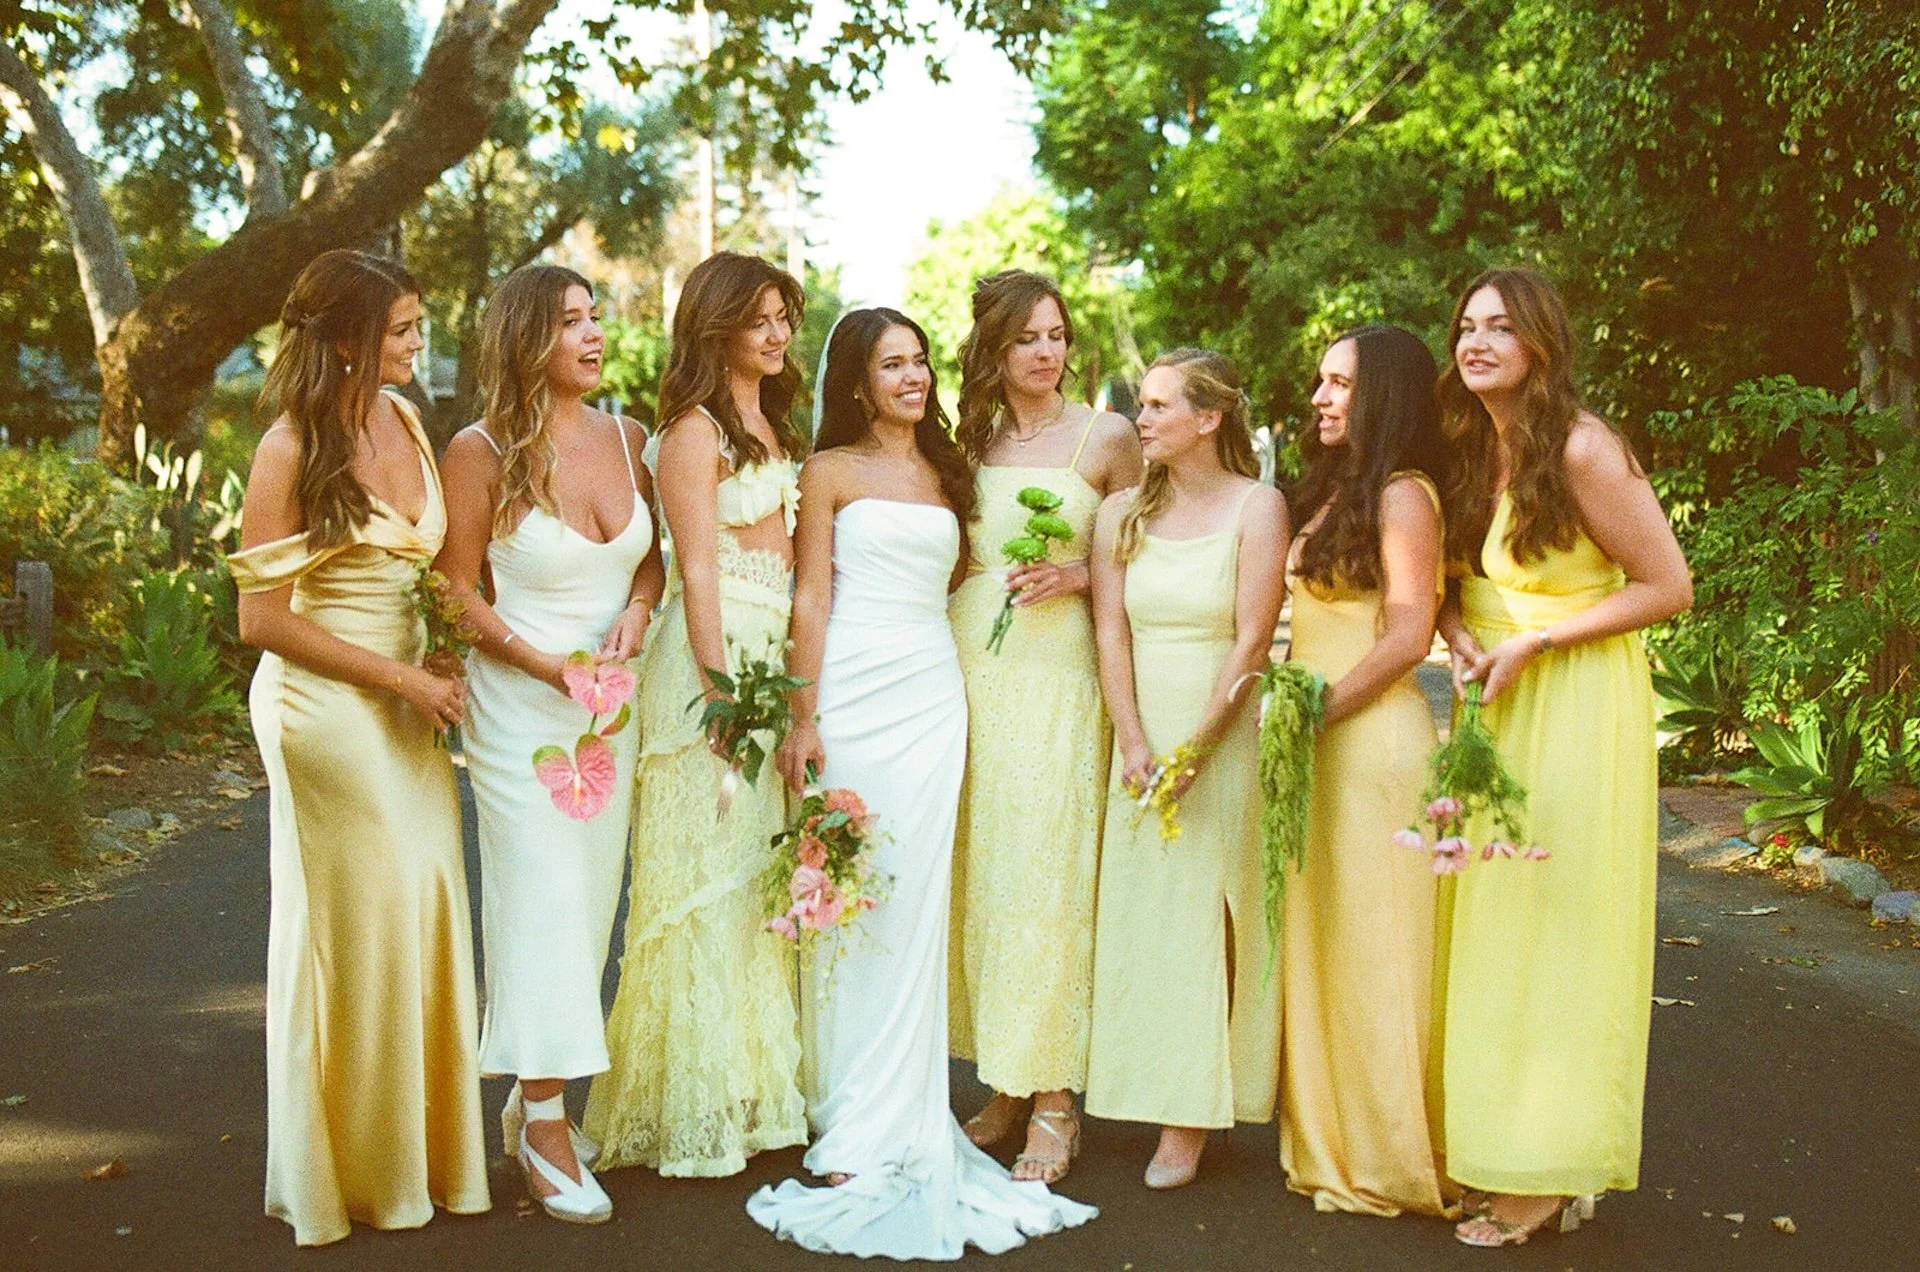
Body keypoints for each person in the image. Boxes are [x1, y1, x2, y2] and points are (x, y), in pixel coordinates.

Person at [746, 308, 1097, 1259]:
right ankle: (849, 1106)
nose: (913, 377)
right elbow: (812, 594)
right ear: (857, 383)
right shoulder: (829, 471)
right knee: (850, 896)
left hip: (934, 696)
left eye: (920, 361)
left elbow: (963, 585)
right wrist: (803, 715)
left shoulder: (950, 471)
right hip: (852, 693)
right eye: (891, 365)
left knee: (914, 902)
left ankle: (911, 1102)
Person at [228, 249, 488, 1245]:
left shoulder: (408, 420)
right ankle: (352, 1175)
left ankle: (424, 1159)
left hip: (407, 697)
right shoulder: (289, 447)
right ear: (344, 339)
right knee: (362, 928)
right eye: (402, 329)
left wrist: (441, 656)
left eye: (419, 324)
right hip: (325, 707)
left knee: (427, 902)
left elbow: (430, 574)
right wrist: (401, 679)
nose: (420, 342)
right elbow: (261, 620)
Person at [1435, 268, 1692, 1247]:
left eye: (1501, 326)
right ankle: (1498, 1145)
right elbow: (1457, 585)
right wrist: (1459, 635)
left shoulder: (1585, 448)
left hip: (1575, 698)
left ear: (1541, 343)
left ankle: (1550, 1169)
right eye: (1467, 325)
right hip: (1493, 699)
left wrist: (1538, 642)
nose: (1477, 341)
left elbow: (1668, 585)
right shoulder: (1471, 448)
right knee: (1493, 927)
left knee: (1561, 925)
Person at [435, 264, 664, 1222]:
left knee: (590, 905)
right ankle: (543, 1124)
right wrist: (541, 665)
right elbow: (454, 589)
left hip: (608, 712)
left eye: (595, 316)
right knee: (543, 899)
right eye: (571, 320)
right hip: (520, 708)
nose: (594, 332)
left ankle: (538, 1092)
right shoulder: (479, 450)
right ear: (527, 337)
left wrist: (637, 616)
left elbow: (650, 565)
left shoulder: (632, 437)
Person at [584, 252, 809, 1177]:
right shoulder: (691, 431)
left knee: (756, 875)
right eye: (758, 319)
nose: (777, 334)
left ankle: (751, 1090)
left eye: (783, 317)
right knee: (702, 873)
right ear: (716, 329)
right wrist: (718, 689)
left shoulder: (775, 423)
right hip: (709, 661)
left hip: (773, 654)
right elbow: (699, 565)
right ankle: (692, 1097)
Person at [947, 269, 1142, 1184]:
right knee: (986, 871)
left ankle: (1058, 1094)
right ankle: (1007, 1079)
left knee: (1048, 872)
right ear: (993, 348)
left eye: (1057, 334)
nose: (1047, 351)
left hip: (1060, 670)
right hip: (971, 667)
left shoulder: (1108, 438)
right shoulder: (968, 438)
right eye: (1027, 337)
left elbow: (1152, 549)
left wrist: (1080, 574)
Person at [1083, 348, 1290, 1190]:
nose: (1143, 418)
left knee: (1209, 917)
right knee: (1147, 916)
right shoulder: (1119, 513)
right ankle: (1143, 1085)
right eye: (1143, 404)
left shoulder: (1257, 505)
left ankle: (1192, 1115)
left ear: (1209, 418)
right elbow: (1110, 630)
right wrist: (1132, 738)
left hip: (1219, 729)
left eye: (1161, 406)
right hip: (1139, 732)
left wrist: (1199, 750)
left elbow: (1253, 638)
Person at [1278, 326, 1452, 1217]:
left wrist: (1319, 712)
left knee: (1379, 948)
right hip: (1319, 743)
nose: (1320, 398)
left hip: (1374, 742)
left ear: (1385, 393)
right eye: (1320, 381)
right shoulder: (1334, 490)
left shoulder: (1404, 494)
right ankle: (1333, 1137)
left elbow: (1409, 634)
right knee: (1329, 944)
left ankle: (1390, 1151)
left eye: (1340, 383)